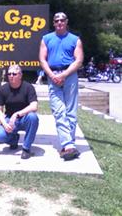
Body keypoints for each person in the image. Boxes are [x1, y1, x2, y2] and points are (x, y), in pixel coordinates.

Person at [39, 12, 84, 161]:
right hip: (53, 76)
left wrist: (64, 75)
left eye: (62, 20)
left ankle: (67, 145)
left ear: (66, 22)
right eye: (57, 20)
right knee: (59, 111)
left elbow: (78, 61)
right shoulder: (46, 39)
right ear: (53, 23)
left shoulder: (75, 39)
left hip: (70, 76)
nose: (59, 22)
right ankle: (69, 145)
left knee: (71, 112)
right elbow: (42, 59)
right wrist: (52, 76)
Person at [0, 64, 39, 159]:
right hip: (10, 119)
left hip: (25, 118)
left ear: (20, 75)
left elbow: (34, 106)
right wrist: (4, 123)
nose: (11, 76)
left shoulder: (28, 87)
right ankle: (14, 140)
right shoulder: (3, 89)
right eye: (9, 74)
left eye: (14, 74)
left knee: (33, 117)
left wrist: (17, 114)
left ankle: (26, 148)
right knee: (0, 136)